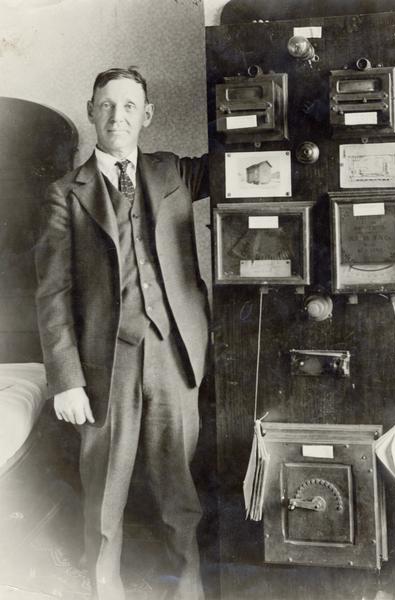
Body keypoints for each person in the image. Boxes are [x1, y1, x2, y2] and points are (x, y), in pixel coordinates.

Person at [35, 67, 209, 600]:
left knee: (179, 487)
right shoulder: (66, 193)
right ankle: (103, 585)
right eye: (107, 105)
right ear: (91, 111)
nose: (118, 116)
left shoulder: (174, 172)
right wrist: (65, 379)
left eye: (130, 106)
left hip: (174, 353)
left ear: (147, 115)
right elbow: (53, 292)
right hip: (102, 363)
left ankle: (187, 589)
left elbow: (246, 154)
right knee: (104, 488)